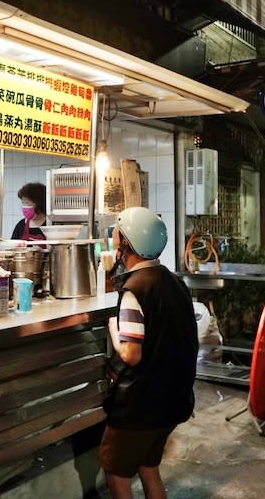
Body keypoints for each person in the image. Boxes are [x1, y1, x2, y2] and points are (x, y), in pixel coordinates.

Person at [99, 206, 198, 499]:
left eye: (116, 236)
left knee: (117, 475)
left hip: (140, 407)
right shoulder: (174, 282)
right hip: (174, 401)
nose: (113, 241)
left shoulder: (135, 289)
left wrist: (113, 327)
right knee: (148, 467)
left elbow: (131, 354)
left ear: (126, 244)